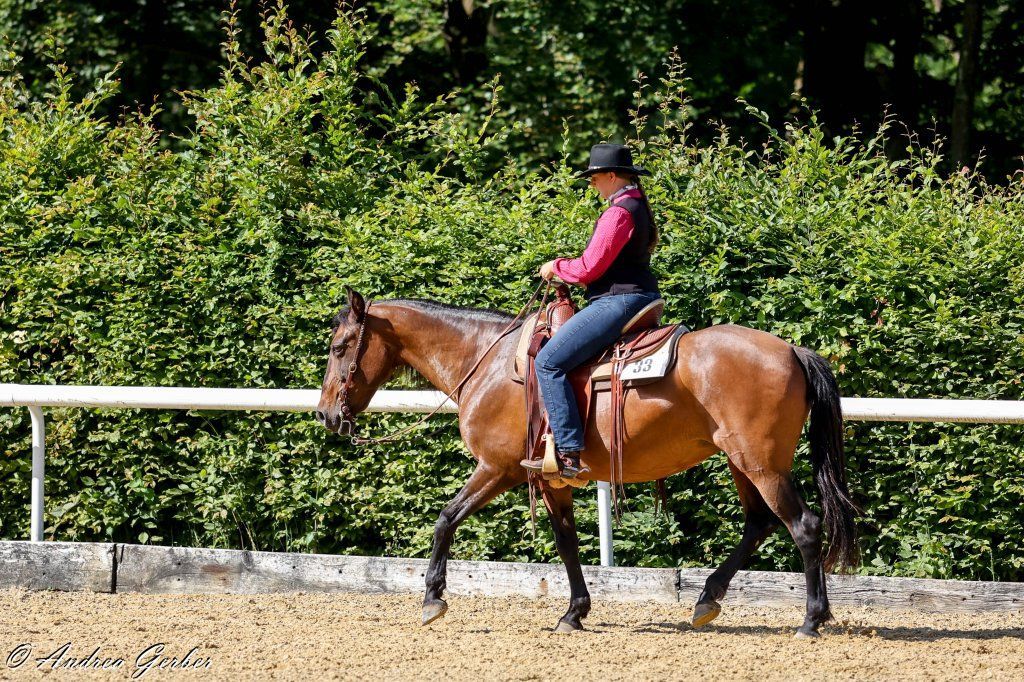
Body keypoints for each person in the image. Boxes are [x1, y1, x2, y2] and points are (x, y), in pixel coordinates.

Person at [521, 143, 662, 479]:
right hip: (638, 297)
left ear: (612, 175)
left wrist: (556, 266)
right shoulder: (636, 205)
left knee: (548, 361)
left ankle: (567, 452)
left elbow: (588, 269)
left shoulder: (618, 213)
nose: (592, 184)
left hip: (619, 300)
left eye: (595, 177)